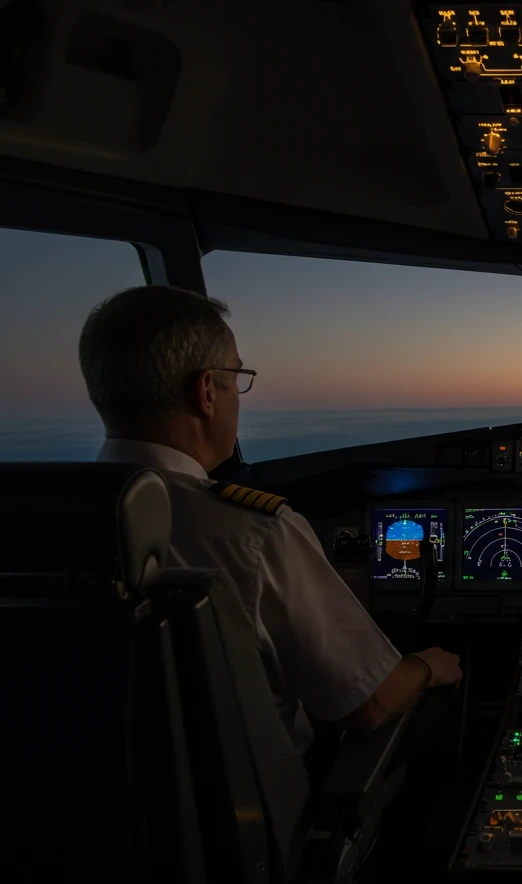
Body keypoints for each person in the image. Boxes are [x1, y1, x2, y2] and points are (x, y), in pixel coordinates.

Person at [80, 285, 462, 753]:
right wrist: (427, 666)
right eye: (236, 377)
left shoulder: (28, 518)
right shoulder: (253, 532)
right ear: (206, 392)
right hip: (256, 796)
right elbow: (369, 703)